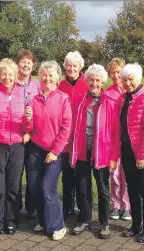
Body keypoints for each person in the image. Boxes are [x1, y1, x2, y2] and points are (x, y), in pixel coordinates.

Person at [70, 64, 120, 238]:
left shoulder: (111, 102)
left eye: (98, 80)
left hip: (102, 153)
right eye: (91, 79)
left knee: (103, 189)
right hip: (84, 151)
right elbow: (73, 129)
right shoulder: (81, 101)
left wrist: (113, 157)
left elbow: (116, 133)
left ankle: (104, 223)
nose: (94, 83)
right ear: (87, 81)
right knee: (83, 188)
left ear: (102, 81)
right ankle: (85, 219)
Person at [24, 61, 72, 241]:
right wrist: (28, 119)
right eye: (44, 75)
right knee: (35, 187)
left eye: (51, 75)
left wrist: (55, 151)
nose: (47, 78)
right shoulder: (34, 99)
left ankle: (58, 226)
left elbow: (66, 127)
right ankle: (44, 221)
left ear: (58, 78)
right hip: (36, 149)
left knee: (47, 188)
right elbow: (29, 127)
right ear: (40, 77)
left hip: (55, 151)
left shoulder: (63, 99)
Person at [0, 58, 27, 234]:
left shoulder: (23, 93)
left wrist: (28, 124)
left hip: (17, 144)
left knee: (14, 185)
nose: (7, 77)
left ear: (16, 75)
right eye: (3, 73)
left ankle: (12, 218)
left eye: (10, 74)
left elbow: (30, 122)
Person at [117, 64, 144, 243]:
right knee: (132, 189)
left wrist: (141, 155)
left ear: (138, 79)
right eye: (125, 79)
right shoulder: (124, 98)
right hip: (126, 150)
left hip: (142, 153)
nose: (127, 83)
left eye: (130, 79)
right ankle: (136, 225)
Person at [58, 51, 88, 219]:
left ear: (80, 67)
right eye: (68, 65)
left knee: (81, 176)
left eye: (74, 66)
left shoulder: (86, 84)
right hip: (63, 136)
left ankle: (83, 207)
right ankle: (67, 206)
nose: (71, 68)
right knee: (67, 175)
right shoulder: (60, 85)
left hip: (81, 136)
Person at [15, 49, 41, 220]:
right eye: (22, 61)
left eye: (28, 62)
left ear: (33, 66)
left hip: (33, 137)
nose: (25, 65)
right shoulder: (11, 81)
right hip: (14, 136)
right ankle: (15, 207)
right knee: (15, 175)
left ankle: (32, 207)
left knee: (33, 173)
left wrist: (30, 133)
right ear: (18, 63)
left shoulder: (37, 85)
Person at [105, 58, 132, 221]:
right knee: (114, 175)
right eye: (112, 72)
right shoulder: (107, 93)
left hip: (128, 139)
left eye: (118, 71)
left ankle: (127, 206)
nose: (115, 75)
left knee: (127, 175)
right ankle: (115, 204)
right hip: (112, 140)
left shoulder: (130, 91)